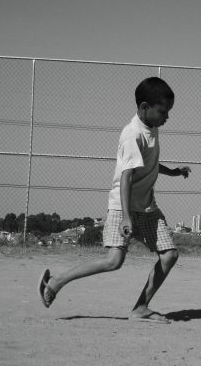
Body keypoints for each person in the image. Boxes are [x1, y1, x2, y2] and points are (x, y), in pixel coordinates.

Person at [38, 77, 191, 324]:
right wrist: (126, 217)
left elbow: (147, 163)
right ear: (144, 107)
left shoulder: (151, 129)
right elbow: (127, 176)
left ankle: (140, 308)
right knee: (113, 260)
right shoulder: (132, 135)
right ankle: (56, 281)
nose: (166, 117)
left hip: (147, 207)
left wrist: (172, 172)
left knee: (169, 255)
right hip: (124, 207)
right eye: (163, 111)